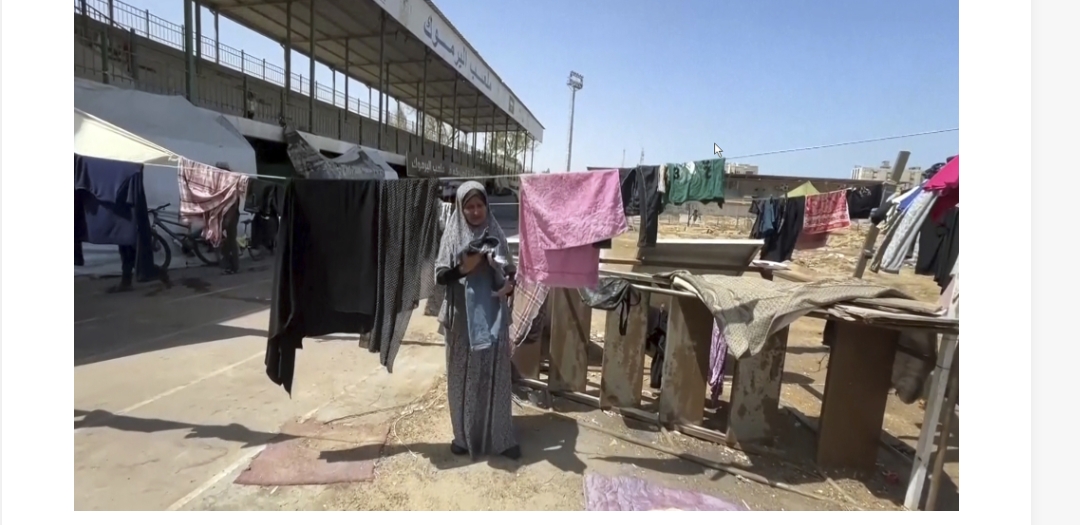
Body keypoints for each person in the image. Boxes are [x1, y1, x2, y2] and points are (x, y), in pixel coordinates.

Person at [434, 181, 521, 460]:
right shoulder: (452, 234)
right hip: (462, 321)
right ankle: (463, 437)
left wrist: (509, 284)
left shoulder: (496, 232)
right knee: (461, 379)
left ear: (487, 206)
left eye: (479, 205)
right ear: (461, 209)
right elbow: (440, 274)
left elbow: (510, 271)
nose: (475, 211)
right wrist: (464, 268)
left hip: (493, 317)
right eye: (469, 206)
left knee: (495, 377)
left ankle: (501, 437)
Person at [215, 162, 242, 275]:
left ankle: (234, 266)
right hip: (224, 215)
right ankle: (227, 262)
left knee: (231, 241)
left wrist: (227, 219)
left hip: (231, 215)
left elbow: (233, 205)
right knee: (224, 240)